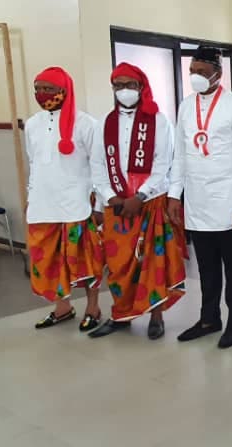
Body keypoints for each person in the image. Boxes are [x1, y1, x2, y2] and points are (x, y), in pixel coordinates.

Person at [88, 63, 186, 340]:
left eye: (130, 85)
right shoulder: (104, 123)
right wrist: (111, 198)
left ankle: (156, 316)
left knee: (152, 261)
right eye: (118, 86)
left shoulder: (159, 121)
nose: (124, 91)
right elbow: (98, 166)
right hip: (116, 205)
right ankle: (121, 315)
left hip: (150, 202)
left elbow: (163, 164)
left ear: (141, 88)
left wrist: (139, 196)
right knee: (118, 263)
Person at [168, 46, 232, 348]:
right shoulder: (185, 106)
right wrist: (173, 195)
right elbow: (179, 154)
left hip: (228, 201)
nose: (196, 78)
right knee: (205, 266)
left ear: (219, 73)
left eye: (202, 73)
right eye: (192, 72)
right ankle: (209, 318)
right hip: (196, 201)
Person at [25, 67, 104, 332]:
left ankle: (93, 307)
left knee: (87, 262)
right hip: (42, 206)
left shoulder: (86, 124)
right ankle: (62, 308)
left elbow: (98, 166)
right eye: (37, 88)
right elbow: (34, 163)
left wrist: (99, 204)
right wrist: (30, 195)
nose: (41, 94)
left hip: (76, 206)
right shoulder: (33, 124)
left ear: (64, 91)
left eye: (48, 88)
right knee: (50, 261)